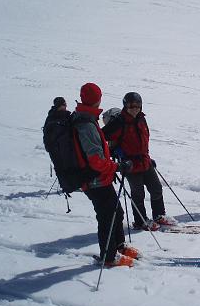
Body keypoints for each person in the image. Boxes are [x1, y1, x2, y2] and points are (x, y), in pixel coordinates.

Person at [72, 83, 139, 267]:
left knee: (116, 212)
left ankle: (119, 246)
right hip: (94, 179)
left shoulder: (88, 118)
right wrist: (117, 166)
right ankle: (109, 257)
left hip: (101, 177)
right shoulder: (86, 124)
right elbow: (96, 160)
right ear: (97, 99)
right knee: (107, 216)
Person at [102, 92, 174, 230]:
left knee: (156, 188)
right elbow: (101, 137)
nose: (134, 108)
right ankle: (140, 221)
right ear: (125, 105)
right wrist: (115, 153)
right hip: (130, 165)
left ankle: (159, 215)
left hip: (145, 160)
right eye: (130, 105)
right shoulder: (119, 122)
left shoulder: (141, 119)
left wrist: (147, 156)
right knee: (138, 194)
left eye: (137, 105)